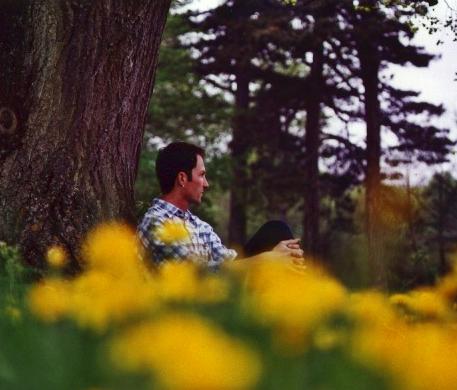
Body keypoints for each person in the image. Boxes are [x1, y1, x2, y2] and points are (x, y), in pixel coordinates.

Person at [138, 142, 303, 268]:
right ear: (182, 179)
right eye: (201, 175)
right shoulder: (155, 223)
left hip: (221, 293)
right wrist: (267, 259)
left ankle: (300, 302)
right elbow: (197, 277)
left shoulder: (199, 225)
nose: (206, 184)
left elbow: (227, 262)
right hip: (190, 306)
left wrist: (281, 256)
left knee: (276, 230)